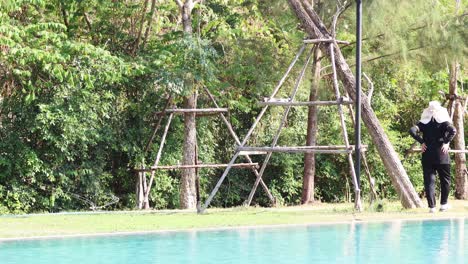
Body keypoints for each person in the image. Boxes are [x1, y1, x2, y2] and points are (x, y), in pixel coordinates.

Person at [409, 101, 457, 213]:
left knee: (429, 181)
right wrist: (446, 142)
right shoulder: (444, 122)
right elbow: (453, 130)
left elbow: (412, 131)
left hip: (427, 155)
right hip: (442, 155)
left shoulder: (423, 123)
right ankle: (444, 204)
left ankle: (432, 207)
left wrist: (422, 141)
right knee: (445, 180)